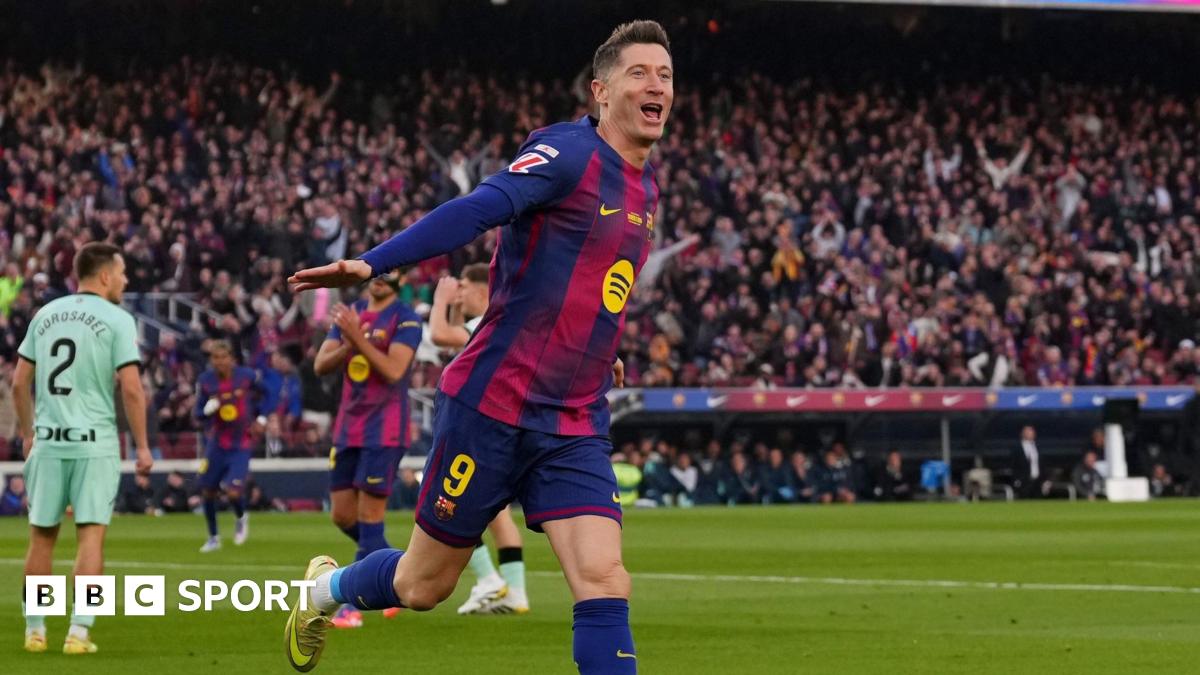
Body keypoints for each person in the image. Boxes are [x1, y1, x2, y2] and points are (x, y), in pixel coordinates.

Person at [283, 20, 672, 674]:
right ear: (601, 91)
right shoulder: (567, 153)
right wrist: (373, 263)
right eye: (640, 73)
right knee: (422, 585)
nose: (656, 84)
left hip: (573, 418)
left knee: (605, 578)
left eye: (665, 75)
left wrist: (599, 348)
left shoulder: (646, 188)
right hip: (493, 405)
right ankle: (325, 590)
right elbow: (477, 208)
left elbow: (596, 286)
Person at [13, 242, 153, 654]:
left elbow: (19, 383)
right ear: (105, 275)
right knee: (91, 539)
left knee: (42, 539)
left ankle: (35, 630)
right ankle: (79, 631)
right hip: (95, 444)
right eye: (122, 272)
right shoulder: (118, 320)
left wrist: (28, 434)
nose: (125, 280)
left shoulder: (45, 314)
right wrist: (143, 447)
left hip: (48, 442)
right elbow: (131, 388)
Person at [313, 269, 421, 628]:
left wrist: (357, 338)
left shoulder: (406, 319)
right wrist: (349, 342)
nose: (381, 278)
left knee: (369, 517)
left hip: (384, 429)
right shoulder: (353, 312)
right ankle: (397, 574)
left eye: (391, 273)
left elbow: (393, 370)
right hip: (348, 427)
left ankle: (351, 607)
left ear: (402, 280)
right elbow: (320, 364)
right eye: (378, 271)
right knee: (343, 516)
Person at [430, 263, 530, 616]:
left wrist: (440, 301)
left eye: (463, 288)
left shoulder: (489, 320)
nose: (459, 294)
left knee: (446, 501)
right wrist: (457, 307)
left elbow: (441, 335)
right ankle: (516, 591)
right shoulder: (503, 320)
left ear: (479, 288)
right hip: (508, 425)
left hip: (480, 425)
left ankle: (487, 578)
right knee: (498, 515)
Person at [194, 340, 276, 552]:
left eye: (223, 357)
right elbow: (197, 414)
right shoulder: (205, 381)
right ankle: (213, 537)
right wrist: (206, 410)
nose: (220, 362)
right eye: (215, 358)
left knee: (233, 493)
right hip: (217, 444)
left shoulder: (246, 376)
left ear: (231, 358)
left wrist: (262, 418)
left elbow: (270, 394)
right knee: (208, 491)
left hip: (241, 443)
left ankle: (241, 517)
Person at [1012, 426, 1044, 499]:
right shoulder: (1017, 448)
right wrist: (1017, 479)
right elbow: (1014, 465)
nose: (1031, 435)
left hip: (1037, 480)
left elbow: (1041, 464)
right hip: (1024, 481)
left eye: (1032, 433)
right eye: (1028, 433)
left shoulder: (1038, 447)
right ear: (1023, 434)